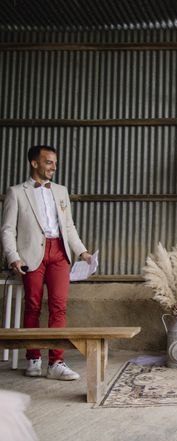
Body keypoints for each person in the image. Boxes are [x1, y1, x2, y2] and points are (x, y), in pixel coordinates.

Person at [1, 145, 92, 381]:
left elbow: (68, 226)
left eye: (54, 162)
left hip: (59, 252)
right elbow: (8, 229)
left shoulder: (61, 191)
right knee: (32, 306)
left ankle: (56, 363)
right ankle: (33, 358)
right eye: (49, 162)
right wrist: (13, 256)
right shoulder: (16, 192)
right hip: (31, 255)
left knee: (58, 306)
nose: (54, 167)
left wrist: (82, 252)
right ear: (34, 163)